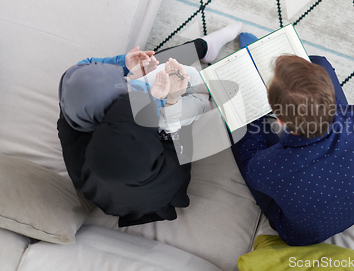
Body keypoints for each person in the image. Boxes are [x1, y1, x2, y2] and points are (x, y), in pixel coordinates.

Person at [57, 22, 242, 227]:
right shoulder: (126, 148)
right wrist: (170, 98)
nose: (128, 82)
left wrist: (124, 64)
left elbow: (86, 66)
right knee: (194, 99)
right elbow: (160, 130)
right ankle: (206, 88)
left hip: (129, 137)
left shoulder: (74, 95)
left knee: (157, 66)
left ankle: (205, 48)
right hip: (153, 171)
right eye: (126, 88)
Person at [231, 32, 354, 246]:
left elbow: (252, 166)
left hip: (303, 234)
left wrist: (248, 105)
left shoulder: (268, 167)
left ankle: (251, 78)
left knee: (238, 122)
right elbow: (341, 110)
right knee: (319, 62)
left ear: (280, 120)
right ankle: (271, 75)